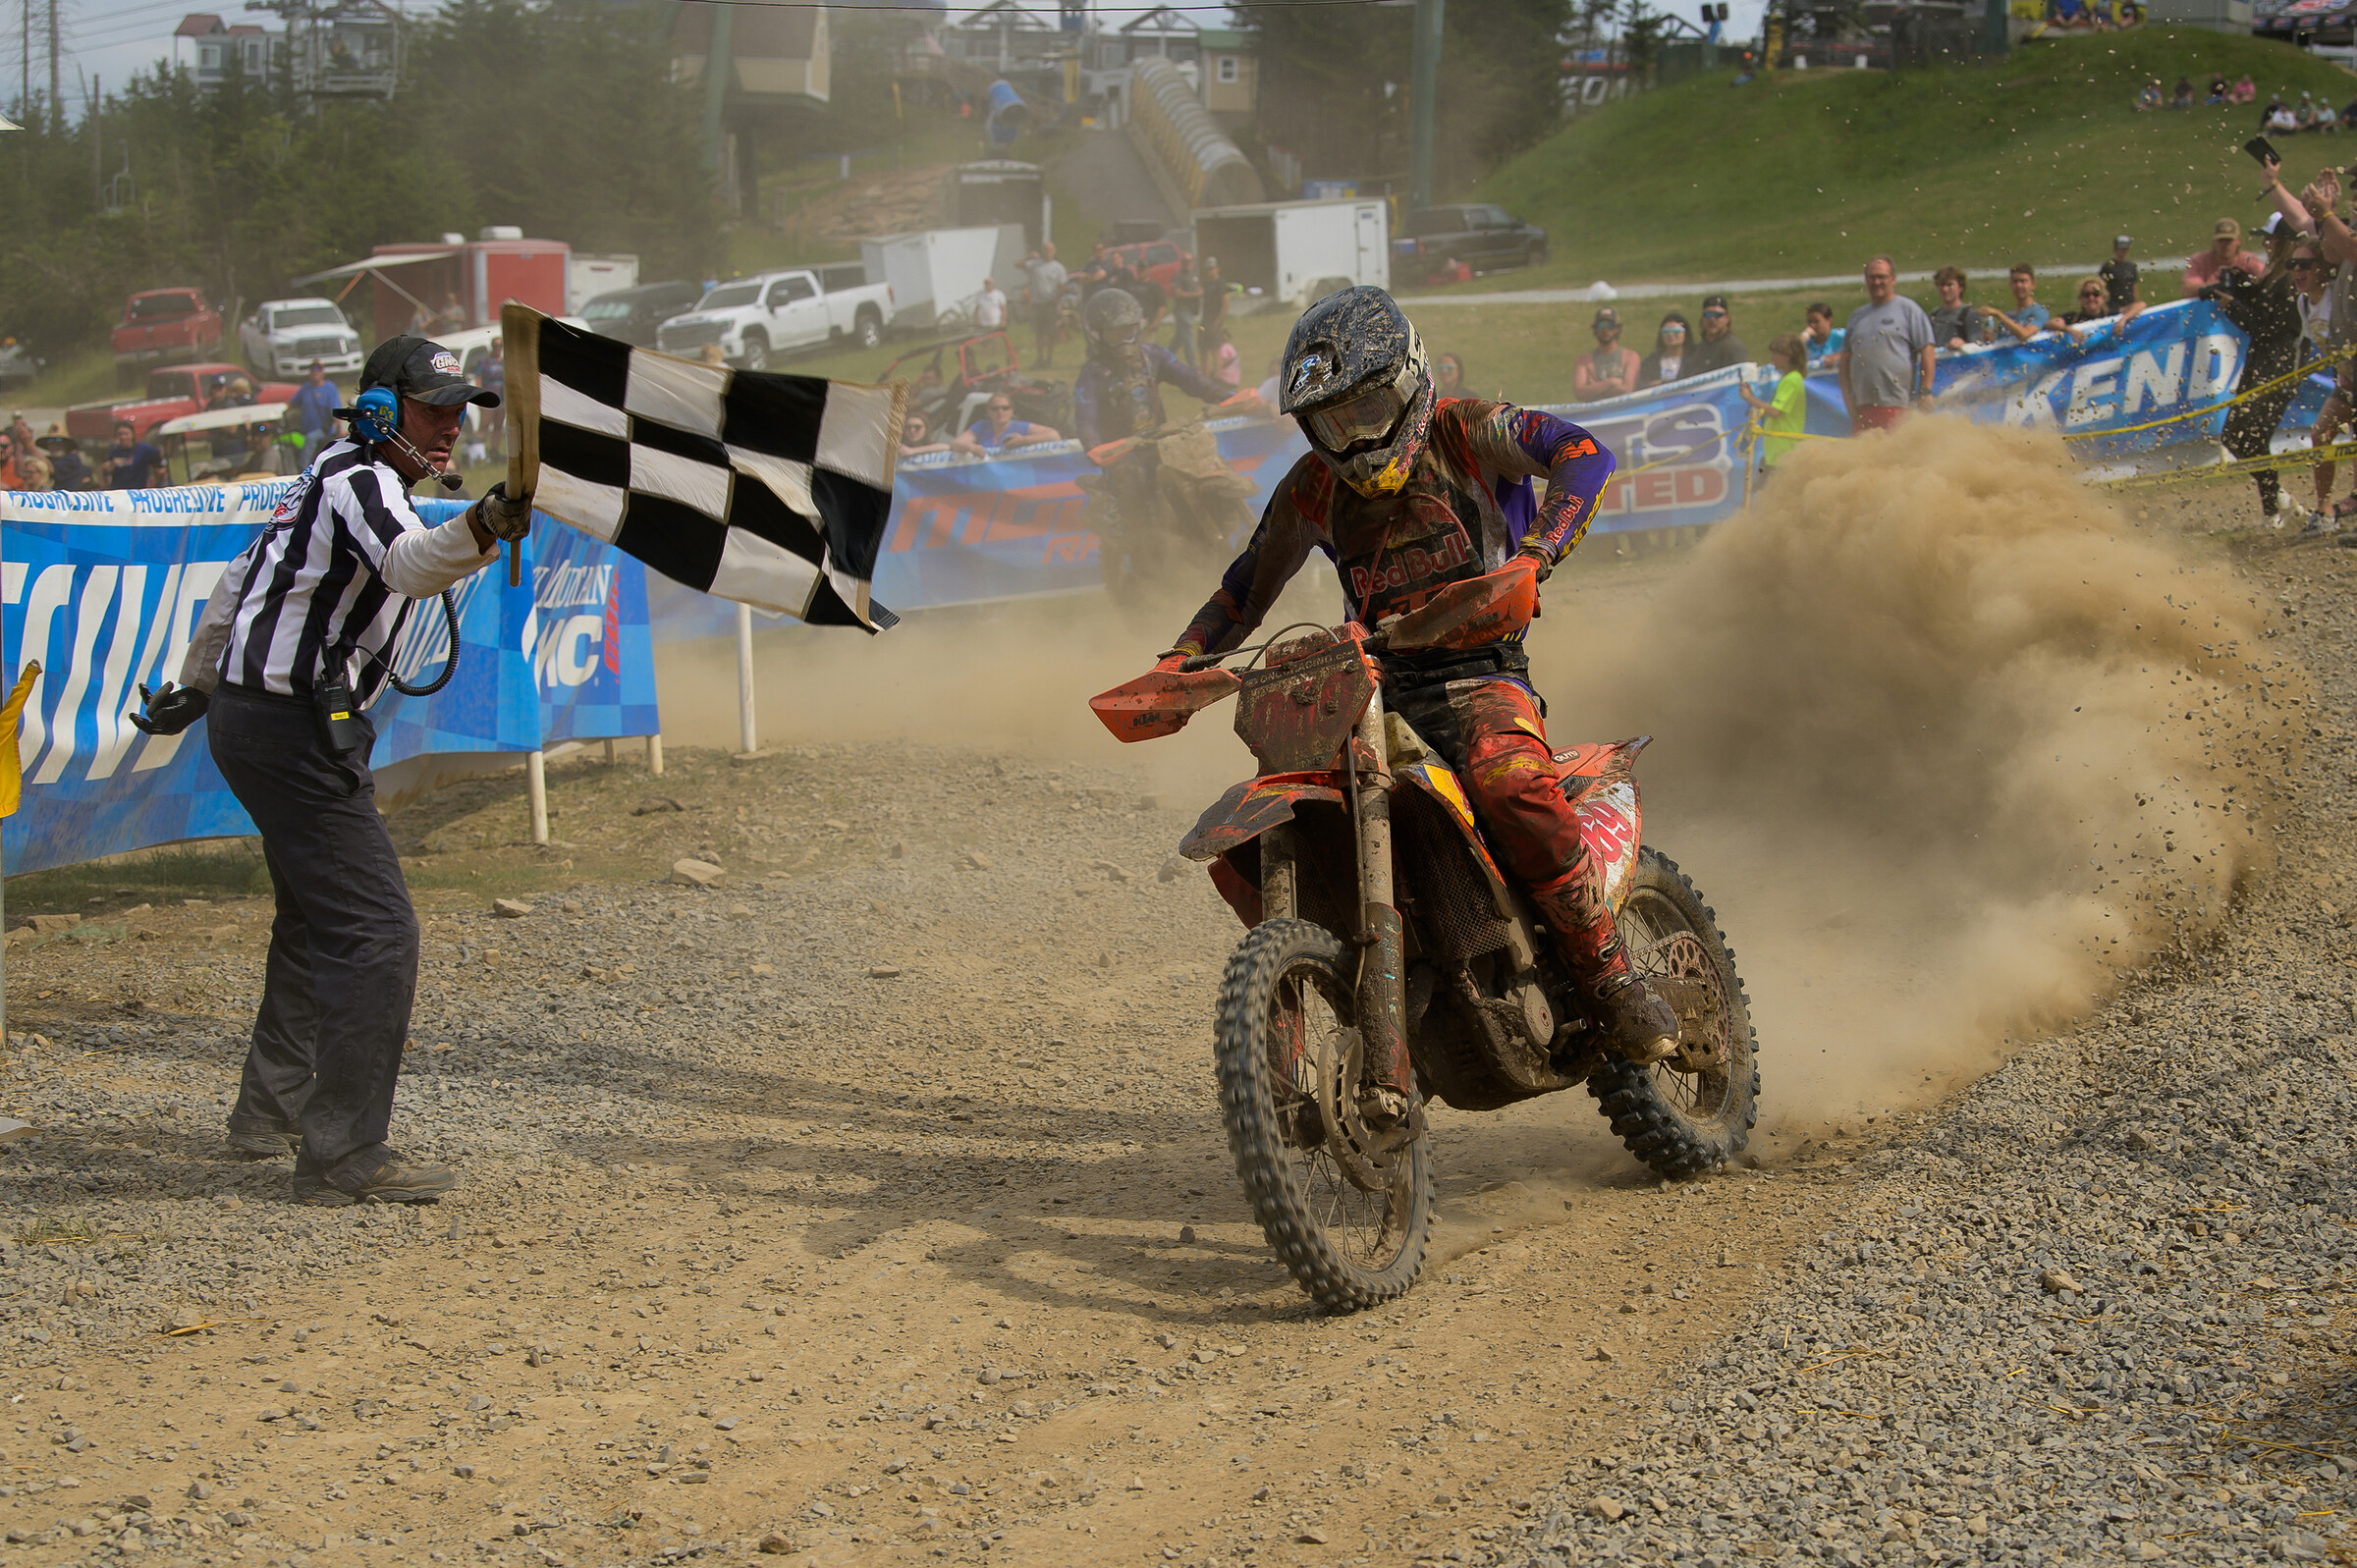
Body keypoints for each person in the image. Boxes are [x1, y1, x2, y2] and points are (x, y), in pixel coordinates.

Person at [1144, 287, 1681, 1091]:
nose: (1356, 437)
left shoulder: (1469, 430)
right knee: (1269, 829)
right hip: (1369, 688)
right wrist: (1179, 661)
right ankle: (1309, 1025)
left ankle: (1610, 975)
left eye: (1368, 408)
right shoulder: (1311, 487)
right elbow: (1246, 585)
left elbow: (1583, 453)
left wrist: (1534, 555)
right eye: (1333, 422)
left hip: (1480, 672)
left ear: (1408, 379)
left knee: (1509, 780)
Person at [129, 334, 532, 1206]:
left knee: (317, 918)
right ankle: (342, 1153)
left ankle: (269, 1111)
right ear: (379, 410)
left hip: (264, 722)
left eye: (461, 410)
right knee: (379, 931)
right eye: (435, 409)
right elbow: (408, 565)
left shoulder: (327, 475)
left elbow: (238, 585)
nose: (453, 426)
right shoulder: (362, 480)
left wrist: (199, 685)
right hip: (292, 731)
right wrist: (487, 522)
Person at [2202, 219, 2308, 528]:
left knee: (2252, 438)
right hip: (2262, 365)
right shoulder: (2275, 276)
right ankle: (2280, 501)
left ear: (2284, 241)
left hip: (2279, 368)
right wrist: (2238, 284)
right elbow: (2262, 310)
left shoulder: (2287, 281)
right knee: (2235, 436)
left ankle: (2273, 510)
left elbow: (2266, 326)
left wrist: (2231, 305)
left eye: (2270, 239)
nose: (2266, 244)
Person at [1070, 287, 1233, 454]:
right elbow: (1085, 420)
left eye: (1128, 333)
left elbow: (1190, 378)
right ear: (1096, 335)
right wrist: (1093, 447)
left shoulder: (1153, 356)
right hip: (1120, 456)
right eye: (1114, 336)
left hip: (1160, 446)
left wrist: (1222, 396)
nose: (1124, 343)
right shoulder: (1092, 374)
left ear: (1137, 329)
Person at [1838, 254, 1937, 433]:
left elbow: (1927, 350)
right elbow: (1845, 359)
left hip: (1898, 404)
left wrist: (1925, 391)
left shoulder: (1908, 310)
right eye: (1872, 277)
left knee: (1897, 450)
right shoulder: (1857, 316)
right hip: (1863, 407)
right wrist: (1847, 397)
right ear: (1866, 280)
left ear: (1893, 279)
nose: (1877, 282)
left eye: (1882, 277)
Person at [1738, 332, 1808, 473]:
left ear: (1787, 356)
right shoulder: (1789, 379)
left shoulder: (1791, 380)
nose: (1771, 358)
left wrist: (1749, 397)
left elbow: (1775, 411)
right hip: (1775, 454)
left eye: (1775, 353)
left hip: (1783, 453)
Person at [954, 394, 1061, 454]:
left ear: (1012, 411)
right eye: (995, 408)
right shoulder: (981, 426)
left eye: (1005, 408)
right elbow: (957, 443)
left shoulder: (1020, 427)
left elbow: (1054, 435)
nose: (1000, 412)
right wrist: (971, 447)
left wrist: (1023, 440)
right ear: (988, 412)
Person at [2185, 218, 2266, 297]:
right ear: (2214, 242)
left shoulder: (2249, 260)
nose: (2225, 245)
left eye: (2229, 240)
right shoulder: (2200, 260)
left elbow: (2267, 283)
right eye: (2221, 240)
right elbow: (2187, 290)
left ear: (2239, 241)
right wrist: (2218, 287)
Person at [1575, 307, 1640, 400]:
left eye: (1610, 325)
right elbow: (1579, 393)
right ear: (1595, 329)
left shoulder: (1631, 356)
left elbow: (1628, 389)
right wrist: (1611, 383)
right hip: (1596, 408)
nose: (1605, 329)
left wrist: (1595, 388)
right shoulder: (1583, 361)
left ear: (1617, 329)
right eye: (1601, 325)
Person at [1984, 263, 2056, 342]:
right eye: (2015, 281)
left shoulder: (2039, 312)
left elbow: (2025, 334)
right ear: (2010, 284)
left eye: (2023, 281)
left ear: (2033, 284)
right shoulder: (2008, 316)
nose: (2018, 285)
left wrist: (1998, 314)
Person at [289, 359, 341, 465]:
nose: (315, 372)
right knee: (291, 438)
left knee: (310, 439)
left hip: (324, 430)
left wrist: (339, 429)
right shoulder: (305, 388)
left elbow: (335, 412)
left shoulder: (330, 388)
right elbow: (292, 404)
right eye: (312, 369)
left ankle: (303, 468)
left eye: (318, 368)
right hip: (305, 429)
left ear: (323, 372)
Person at [1025, 243, 1067, 368]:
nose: (1048, 252)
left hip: (1050, 304)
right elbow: (1017, 265)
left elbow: (1062, 285)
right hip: (1038, 304)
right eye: (1045, 250)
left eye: (1050, 250)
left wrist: (1056, 299)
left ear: (1054, 251)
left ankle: (1049, 359)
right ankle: (1040, 358)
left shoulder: (1058, 267)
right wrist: (1029, 256)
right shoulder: (1035, 264)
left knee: (1051, 333)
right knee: (1039, 333)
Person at [1686, 294, 1749, 375]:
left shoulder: (1733, 347)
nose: (1712, 319)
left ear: (1727, 319)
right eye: (1708, 315)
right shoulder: (1699, 348)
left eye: (1717, 315)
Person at [1927, 267, 1982, 350]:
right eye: (1941, 285)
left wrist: (1963, 344)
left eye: (1950, 285)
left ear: (1961, 287)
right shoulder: (1934, 314)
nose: (1945, 289)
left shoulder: (1969, 314)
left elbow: (1977, 346)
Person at [1637, 312, 1692, 389]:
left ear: (1685, 333)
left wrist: (1661, 383)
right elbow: (1641, 384)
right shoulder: (1651, 362)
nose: (1671, 335)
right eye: (1666, 331)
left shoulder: (1694, 359)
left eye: (1676, 331)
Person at [104, 419, 164, 488]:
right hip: (118, 491)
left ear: (132, 434)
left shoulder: (143, 449)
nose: (123, 437)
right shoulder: (115, 451)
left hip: (135, 490)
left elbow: (160, 455)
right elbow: (108, 469)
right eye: (120, 434)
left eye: (126, 434)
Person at [1168, 258, 1204, 369]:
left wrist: (1200, 292)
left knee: (1178, 339)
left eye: (1190, 261)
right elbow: (1177, 293)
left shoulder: (1194, 276)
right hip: (1182, 310)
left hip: (1191, 311)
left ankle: (1165, 358)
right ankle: (1193, 366)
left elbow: (1199, 288)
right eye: (1185, 261)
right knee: (1189, 338)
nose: (1188, 264)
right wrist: (1195, 294)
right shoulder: (1178, 276)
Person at [2100, 236, 2141, 313]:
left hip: (2129, 305)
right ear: (2115, 249)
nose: (2123, 251)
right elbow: (2102, 287)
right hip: (2114, 307)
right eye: (2121, 249)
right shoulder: (2108, 267)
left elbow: (2134, 287)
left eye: (2125, 249)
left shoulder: (2131, 266)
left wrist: (2136, 303)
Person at [1801, 301, 1844, 367]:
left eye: (1816, 321)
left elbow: (1856, 350)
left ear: (1829, 320)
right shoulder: (1807, 342)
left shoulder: (1841, 336)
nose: (1812, 325)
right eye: (1809, 322)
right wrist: (1804, 336)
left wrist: (1836, 357)